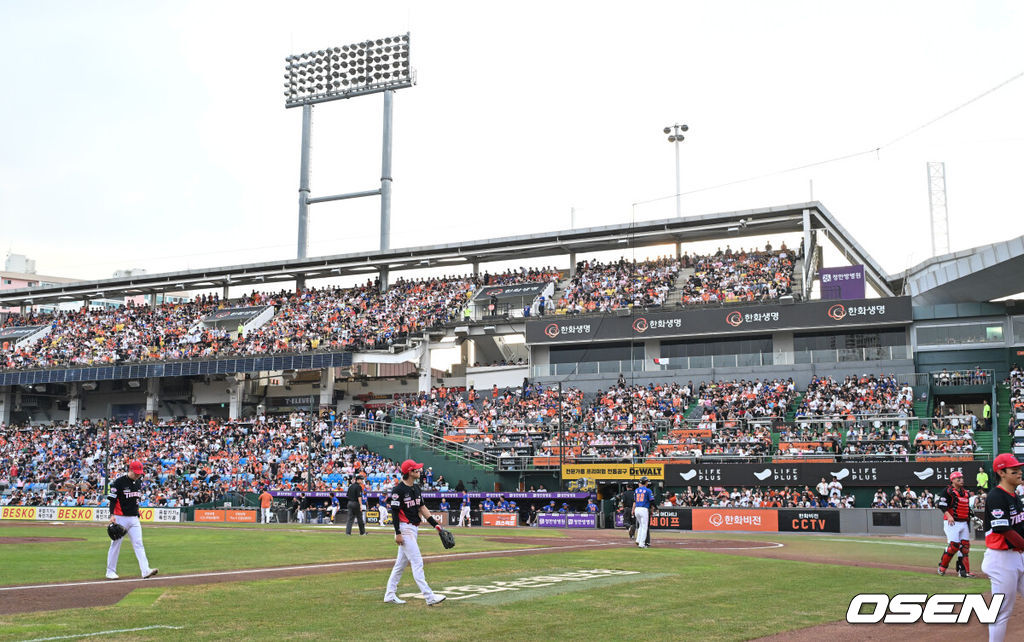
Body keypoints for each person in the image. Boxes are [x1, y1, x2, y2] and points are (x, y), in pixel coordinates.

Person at [383, 460, 446, 606]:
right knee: (417, 562)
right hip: (405, 529)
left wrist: (435, 525)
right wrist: (397, 532)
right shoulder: (398, 490)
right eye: (416, 469)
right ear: (410, 472)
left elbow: (422, 508)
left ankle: (389, 595)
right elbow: (395, 512)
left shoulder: (416, 488)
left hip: (413, 528)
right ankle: (429, 597)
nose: (419, 470)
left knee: (400, 565)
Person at [981, 453, 1024, 642]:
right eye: (1014, 469)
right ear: (1002, 473)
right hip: (1001, 560)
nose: (1019, 472)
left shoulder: (1015, 496)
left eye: (1019, 468)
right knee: (1002, 612)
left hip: (1017, 555)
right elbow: (1004, 529)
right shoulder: (996, 496)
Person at [105, 460, 158, 580]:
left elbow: (135, 500)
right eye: (136, 473)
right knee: (115, 544)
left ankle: (145, 570)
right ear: (130, 470)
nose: (138, 475)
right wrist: (111, 514)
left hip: (134, 518)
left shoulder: (138, 482)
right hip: (120, 517)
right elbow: (112, 499)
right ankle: (110, 571)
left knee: (139, 544)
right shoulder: (118, 482)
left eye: (139, 473)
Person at [936, 471, 974, 577]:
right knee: (954, 546)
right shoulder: (947, 491)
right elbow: (941, 505)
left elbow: (966, 507)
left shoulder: (965, 493)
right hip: (951, 522)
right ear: (952, 480)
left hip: (963, 522)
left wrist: (973, 516)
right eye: (958, 479)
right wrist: (949, 516)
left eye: (962, 478)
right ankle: (942, 567)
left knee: (965, 546)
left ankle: (964, 572)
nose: (961, 480)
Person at [633, 477, 654, 549]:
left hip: (637, 508)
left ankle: (638, 539)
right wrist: (655, 508)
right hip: (644, 509)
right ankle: (641, 544)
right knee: (644, 527)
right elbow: (652, 500)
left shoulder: (636, 490)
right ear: (646, 482)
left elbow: (635, 501)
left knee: (641, 526)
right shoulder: (648, 490)